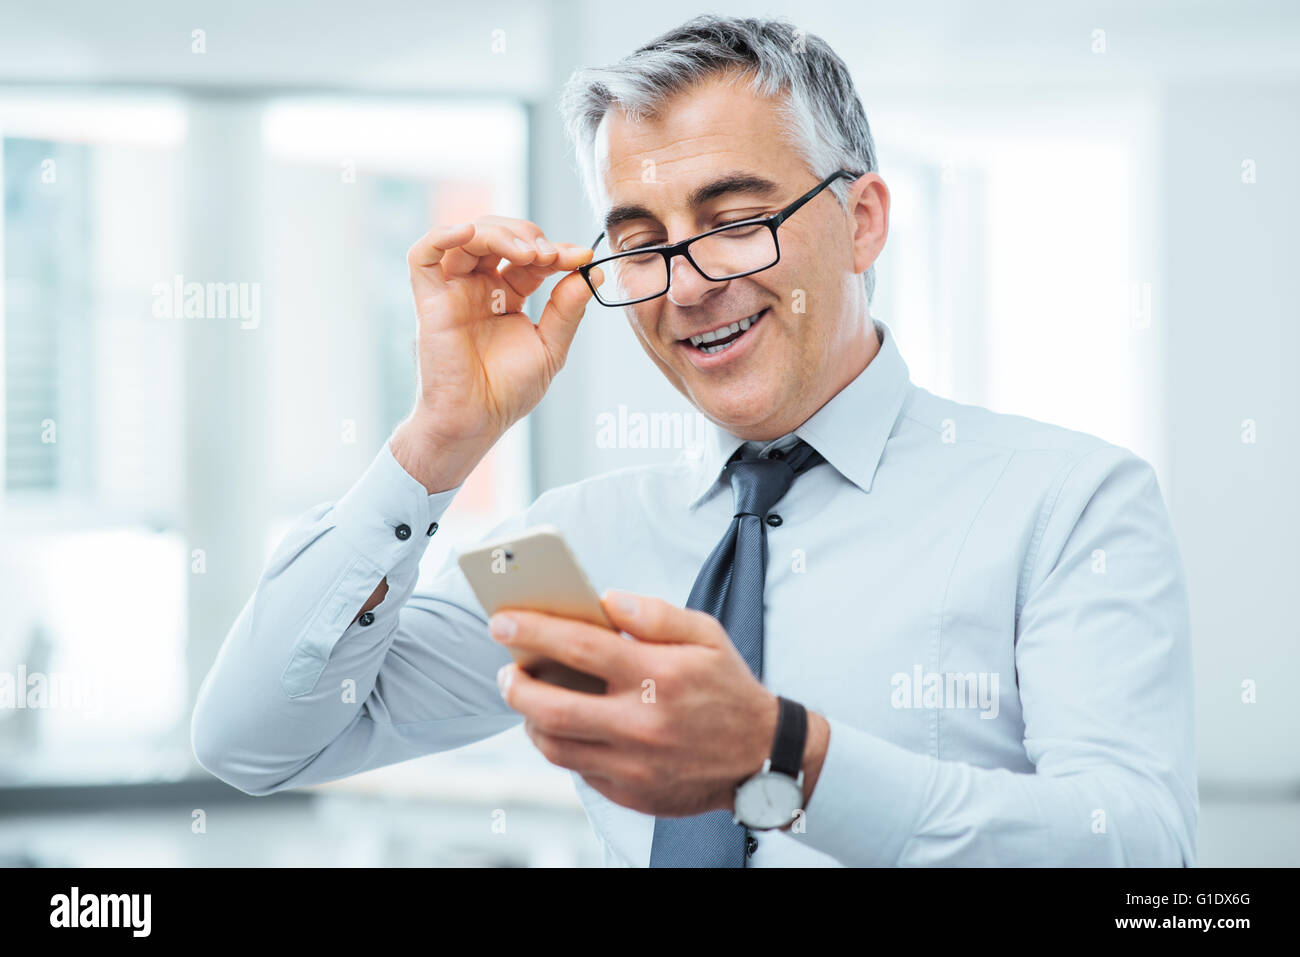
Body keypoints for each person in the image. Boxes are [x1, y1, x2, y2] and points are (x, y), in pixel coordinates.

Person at [191, 14, 1197, 867]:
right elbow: (253, 742)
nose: (688, 284)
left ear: (862, 221)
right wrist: (436, 442)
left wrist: (785, 756)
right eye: (641, 245)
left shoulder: (1067, 502)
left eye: (736, 220)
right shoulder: (567, 547)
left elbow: (1143, 853)